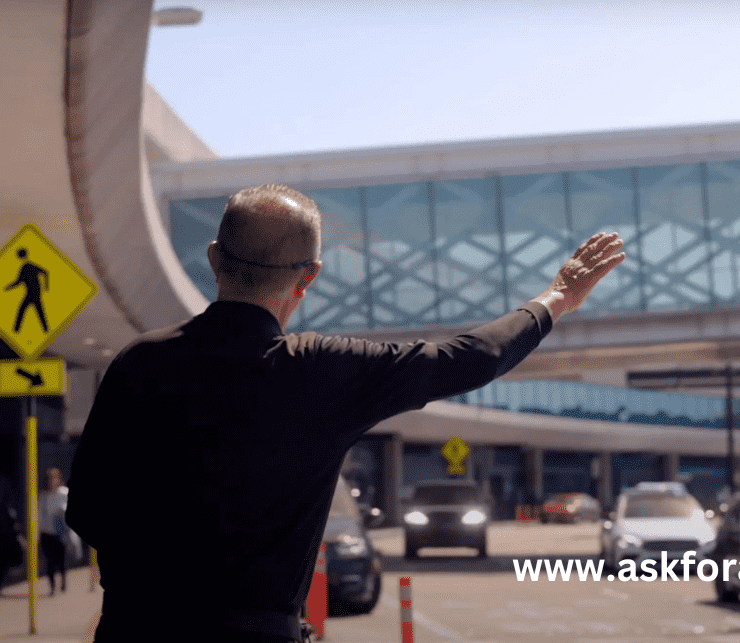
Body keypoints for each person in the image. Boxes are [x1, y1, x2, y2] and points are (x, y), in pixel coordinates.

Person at [66, 183, 625, 642]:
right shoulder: (320, 370)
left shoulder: (138, 364)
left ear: (214, 259)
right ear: (308, 277)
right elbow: (469, 357)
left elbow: (86, 511)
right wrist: (556, 297)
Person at [38, 467, 81, 596]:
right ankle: (52, 587)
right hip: (46, 532)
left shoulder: (64, 492)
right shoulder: (43, 495)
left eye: (55, 477)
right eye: (50, 477)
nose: (53, 480)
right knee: (49, 562)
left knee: (60, 560)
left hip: (59, 530)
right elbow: (39, 514)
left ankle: (63, 580)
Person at [0, 472, 22, 594]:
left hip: (4, 528)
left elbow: (10, 507)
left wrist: (14, 524)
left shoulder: (4, 483)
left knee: (4, 558)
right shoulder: (4, 482)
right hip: (5, 526)